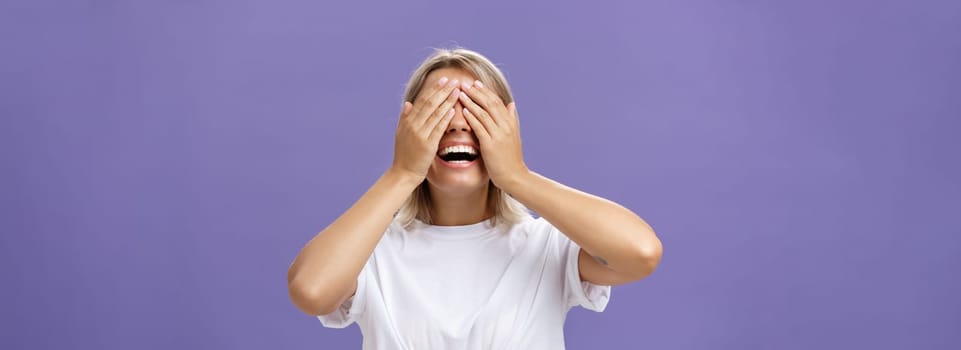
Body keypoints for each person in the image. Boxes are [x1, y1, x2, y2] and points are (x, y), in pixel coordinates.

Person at [287, 47, 663, 349]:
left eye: (477, 110)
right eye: (440, 110)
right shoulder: (371, 252)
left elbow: (641, 253)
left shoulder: (547, 245)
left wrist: (517, 175)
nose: (458, 123)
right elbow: (311, 291)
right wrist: (402, 172)